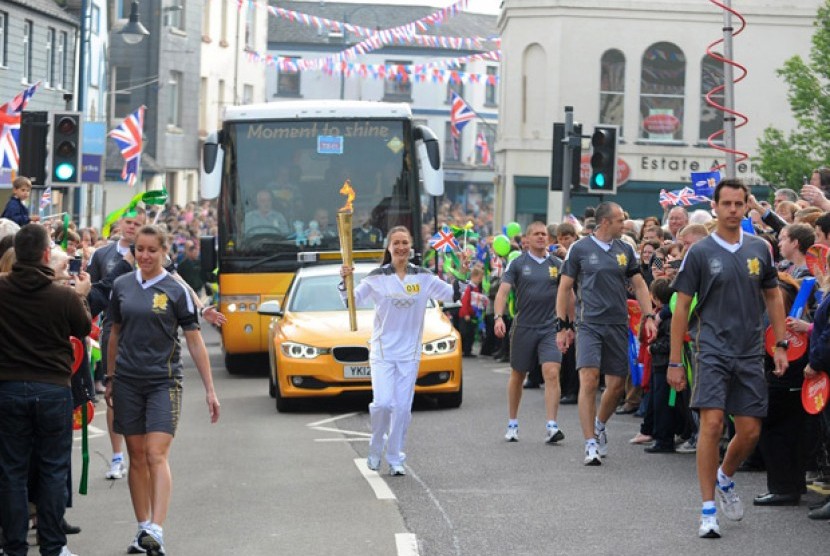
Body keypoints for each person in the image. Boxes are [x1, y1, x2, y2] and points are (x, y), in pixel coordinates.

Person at [668, 178, 788, 539]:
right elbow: (682, 307)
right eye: (727, 204)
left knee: (750, 430)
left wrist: (780, 343)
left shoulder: (760, 248)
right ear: (716, 207)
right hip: (711, 350)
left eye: (740, 204)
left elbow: (773, 296)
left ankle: (725, 477)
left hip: (750, 350)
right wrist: (676, 360)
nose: (733, 210)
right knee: (714, 423)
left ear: (746, 206)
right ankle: (707, 510)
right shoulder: (700, 252)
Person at [105, 225, 220, 555]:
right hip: (127, 380)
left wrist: (210, 390)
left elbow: (195, 342)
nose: (144, 255)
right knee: (136, 456)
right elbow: (115, 334)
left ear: (164, 252)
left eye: (151, 250)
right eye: (139, 249)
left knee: (156, 453)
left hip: (163, 381)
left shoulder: (175, 289)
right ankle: (142, 529)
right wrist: (110, 377)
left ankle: (157, 527)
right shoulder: (122, 285)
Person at [0, 223, 91, 556]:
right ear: (43, 254)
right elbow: (82, 329)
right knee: (53, 468)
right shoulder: (63, 295)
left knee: (11, 470)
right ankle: (53, 545)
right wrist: (82, 296)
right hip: (52, 388)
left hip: (8, 387)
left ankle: (14, 546)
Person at [339, 226, 460, 476]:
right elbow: (352, 300)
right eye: (396, 243)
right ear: (389, 247)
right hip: (383, 352)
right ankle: (375, 448)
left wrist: (465, 273)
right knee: (382, 404)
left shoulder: (423, 277)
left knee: (402, 408)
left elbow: (451, 295)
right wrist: (344, 280)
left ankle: (395, 457)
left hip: (410, 354)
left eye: (405, 242)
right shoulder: (377, 277)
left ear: (411, 245)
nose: (401, 247)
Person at [555, 202, 657, 466]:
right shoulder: (579, 249)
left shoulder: (625, 249)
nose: (624, 224)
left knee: (614, 386)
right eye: (619, 220)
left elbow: (639, 283)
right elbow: (565, 288)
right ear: (604, 222)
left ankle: (600, 424)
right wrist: (563, 325)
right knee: (588, 380)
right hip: (588, 323)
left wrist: (648, 315)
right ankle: (590, 443)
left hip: (617, 324)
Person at [494, 221, 569, 443]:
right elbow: (502, 293)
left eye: (544, 234)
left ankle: (552, 426)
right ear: (526, 239)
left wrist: (568, 326)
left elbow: (569, 295)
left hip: (549, 328)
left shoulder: (557, 263)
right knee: (518, 375)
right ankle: (512, 423)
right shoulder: (517, 263)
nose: (540, 237)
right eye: (536, 234)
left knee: (552, 372)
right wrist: (498, 317)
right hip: (524, 326)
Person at [88, 208, 146, 479]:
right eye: (128, 222)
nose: (131, 227)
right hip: (113, 328)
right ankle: (116, 456)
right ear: (120, 223)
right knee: (114, 392)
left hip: (144, 331)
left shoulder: (151, 252)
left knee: (142, 394)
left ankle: (141, 451)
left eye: (137, 223)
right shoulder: (103, 254)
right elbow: (94, 289)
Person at [458, 265, 485, 357]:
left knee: (471, 333)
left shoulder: (476, 288)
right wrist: (466, 314)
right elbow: (465, 302)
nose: (480, 280)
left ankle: (468, 350)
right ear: (474, 277)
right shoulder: (469, 288)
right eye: (479, 278)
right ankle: (464, 350)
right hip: (466, 315)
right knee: (465, 333)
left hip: (472, 314)